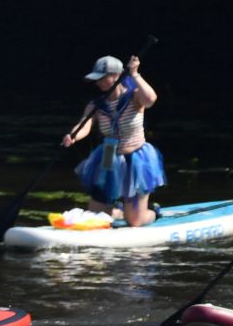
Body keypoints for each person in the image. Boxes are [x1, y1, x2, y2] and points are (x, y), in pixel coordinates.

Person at [63, 52, 162, 228]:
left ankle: (153, 211)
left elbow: (151, 99)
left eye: (103, 78)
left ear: (116, 75)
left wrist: (135, 74)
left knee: (135, 221)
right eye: (97, 79)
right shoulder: (96, 105)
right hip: (109, 154)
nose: (99, 82)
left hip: (136, 156)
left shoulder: (134, 96)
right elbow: (83, 125)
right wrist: (73, 136)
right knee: (96, 216)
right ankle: (116, 210)